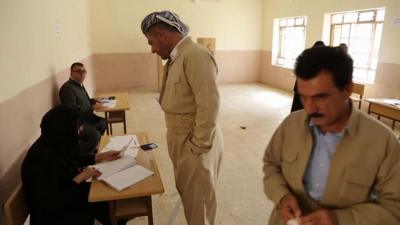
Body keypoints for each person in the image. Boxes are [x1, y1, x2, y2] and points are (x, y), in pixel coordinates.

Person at [263, 46, 400, 225]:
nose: (310, 109)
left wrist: (340, 219)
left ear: (347, 89)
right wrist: (282, 196)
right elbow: (271, 165)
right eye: (304, 97)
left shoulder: (383, 143)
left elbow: (394, 209)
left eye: (320, 97)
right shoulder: (291, 125)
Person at [141, 11, 224, 225]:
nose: (152, 49)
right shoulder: (176, 57)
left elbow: (209, 104)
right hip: (180, 136)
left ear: (160, 34)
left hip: (195, 140)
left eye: (151, 42)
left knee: (200, 201)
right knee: (189, 195)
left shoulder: (196, 55)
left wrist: (199, 146)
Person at [21, 105, 125, 225]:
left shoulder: (53, 142)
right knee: (104, 203)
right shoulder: (40, 160)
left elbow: (72, 159)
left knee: (108, 199)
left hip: (67, 194)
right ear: (63, 128)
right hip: (52, 215)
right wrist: (81, 177)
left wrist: (100, 156)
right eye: (77, 126)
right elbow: (53, 200)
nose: (80, 130)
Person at [59, 62, 107, 155]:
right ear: (71, 73)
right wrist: (92, 107)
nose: (82, 74)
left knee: (103, 122)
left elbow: (85, 101)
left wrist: (94, 100)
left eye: (84, 71)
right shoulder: (67, 89)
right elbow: (72, 110)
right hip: (77, 123)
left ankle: (93, 149)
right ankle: (82, 157)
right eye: (78, 71)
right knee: (94, 134)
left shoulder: (79, 84)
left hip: (87, 117)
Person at [290, 41, 325, 112]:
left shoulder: (307, 56)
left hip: (301, 87)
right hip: (304, 87)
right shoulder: (317, 60)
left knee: (298, 105)